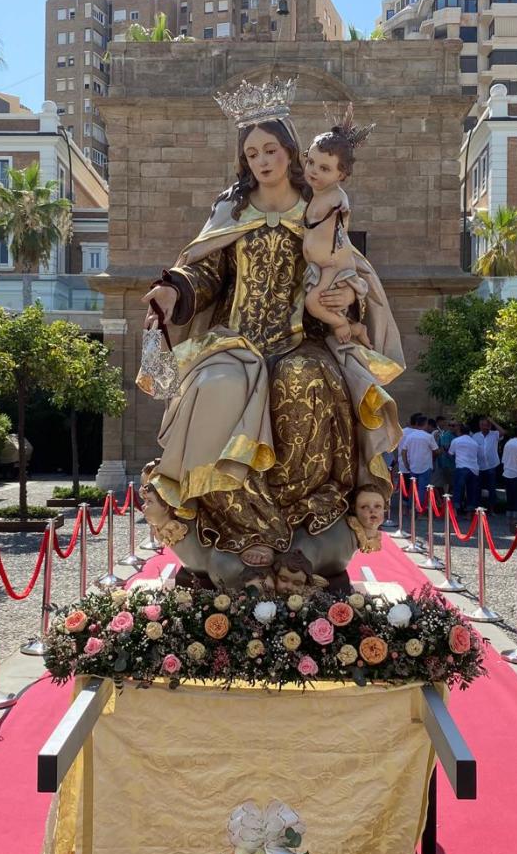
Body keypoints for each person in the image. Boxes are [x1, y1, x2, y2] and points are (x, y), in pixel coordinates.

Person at [139, 78, 403, 581]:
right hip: (233, 341)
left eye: (271, 149)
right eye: (252, 152)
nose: (262, 160)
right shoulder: (231, 210)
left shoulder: (318, 206)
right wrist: (173, 291)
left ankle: (301, 525)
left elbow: (346, 268)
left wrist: (348, 297)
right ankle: (239, 528)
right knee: (220, 388)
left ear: (290, 150)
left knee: (306, 385)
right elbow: (207, 270)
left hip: (301, 339)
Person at [300, 104, 376, 346]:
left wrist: (342, 209)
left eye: (324, 168)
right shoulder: (312, 192)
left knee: (316, 303)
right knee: (318, 305)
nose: (313, 171)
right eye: (310, 162)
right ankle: (353, 327)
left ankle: (344, 324)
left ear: (341, 175)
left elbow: (342, 203)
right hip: (319, 268)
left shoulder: (334, 196)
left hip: (331, 267)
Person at [399, 414, 438, 500]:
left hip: (413, 466)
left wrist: (406, 464)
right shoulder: (429, 436)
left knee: (413, 489)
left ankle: (411, 508)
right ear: (425, 424)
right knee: (423, 489)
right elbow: (436, 451)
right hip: (426, 466)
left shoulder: (410, 436)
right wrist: (433, 458)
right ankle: (420, 511)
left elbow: (403, 451)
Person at [448, 422, 481, 516]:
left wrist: (455, 461)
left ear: (460, 431)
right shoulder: (474, 443)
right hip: (474, 468)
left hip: (461, 466)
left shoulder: (456, 440)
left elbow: (450, 453)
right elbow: (477, 455)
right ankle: (469, 513)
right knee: (472, 490)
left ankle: (455, 511)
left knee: (458, 489)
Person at [473, 416, 504, 511]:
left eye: (486, 425)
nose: (484, 427)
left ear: (489, 426)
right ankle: (478, 508)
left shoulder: (494, 434)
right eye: (482, 425)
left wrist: (493, 422)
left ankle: (492, 509)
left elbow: (503, 432)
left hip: (491, 465)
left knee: (492, 488)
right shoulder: (475, 436)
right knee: (477, 488)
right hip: (480, 466)